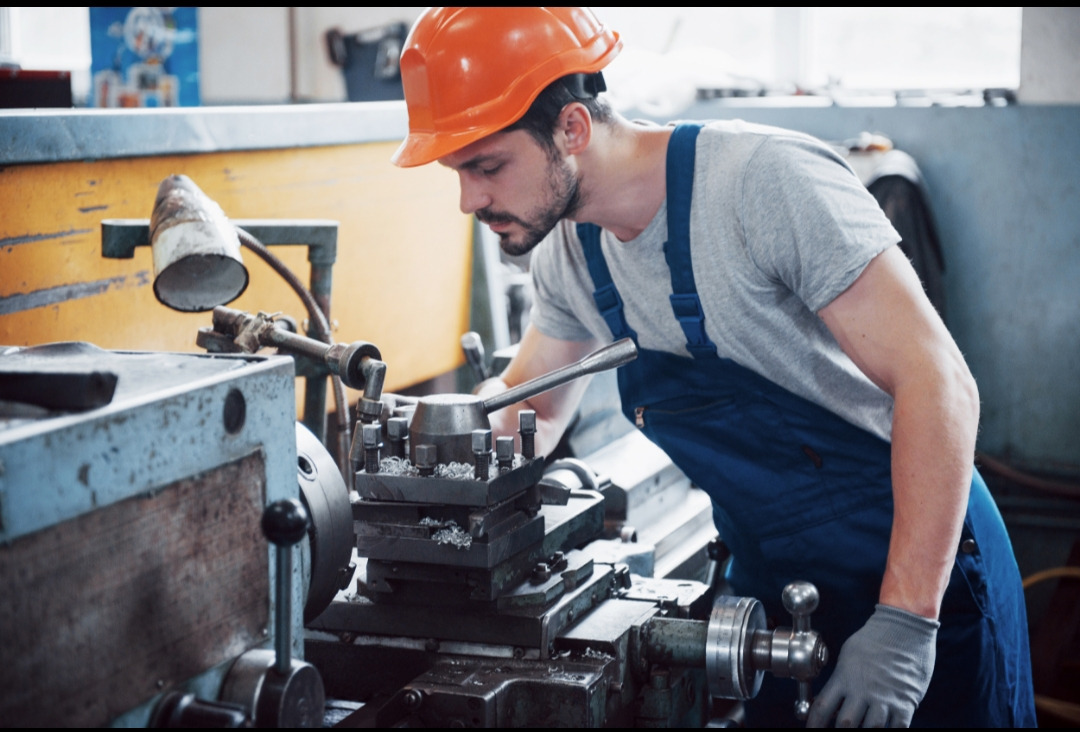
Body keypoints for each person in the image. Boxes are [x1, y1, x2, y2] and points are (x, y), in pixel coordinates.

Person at [392, 8, 1036, 728]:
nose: (469, 200)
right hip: (777, 591)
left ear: (572, 128)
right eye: (458, 172)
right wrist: (441, 443)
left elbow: (939, 382)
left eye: (486, 167)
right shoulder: (573, 249)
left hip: (918, 574)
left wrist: (906, 623)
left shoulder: (764, 184)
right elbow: (535, 404)